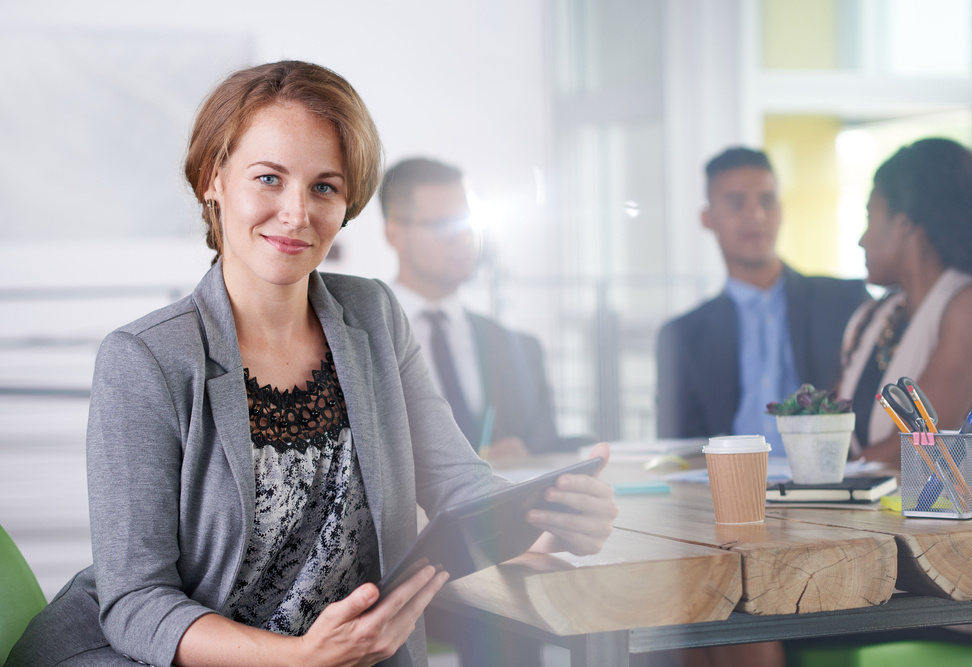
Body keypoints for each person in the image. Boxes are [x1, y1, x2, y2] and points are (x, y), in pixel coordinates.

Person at [7, 61, 618, 667]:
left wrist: (547, 521)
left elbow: (459, 486)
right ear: (212, 180)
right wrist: (298, 658)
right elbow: (135, 604)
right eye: (269, 178)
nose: (297, 212)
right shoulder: (144, 360)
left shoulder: (374, 316)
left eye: (324, 186)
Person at [656, 147, 870, 455]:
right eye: (736, 203)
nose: (755, 215)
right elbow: (678, 451)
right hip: (725, 492)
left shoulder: (845, 303)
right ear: (707, 218)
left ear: (781, 210)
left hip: (833, 489)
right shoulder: (681, 336)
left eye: (767, 201)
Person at [380, 157, 582, 460]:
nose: (464, 239)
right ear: (396, 234)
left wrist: (526, 457)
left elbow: (547, 450)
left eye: (470, 222)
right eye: (444, 225)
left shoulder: (523, 350)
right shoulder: (357, 342)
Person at [838, 137, 972, 469]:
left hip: (956, 515)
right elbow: (830, 427)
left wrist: (831, 480)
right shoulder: (873, 315)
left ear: (906, 222)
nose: (862, 239)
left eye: (870, 217)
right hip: (871, 513)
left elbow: (924, 440)